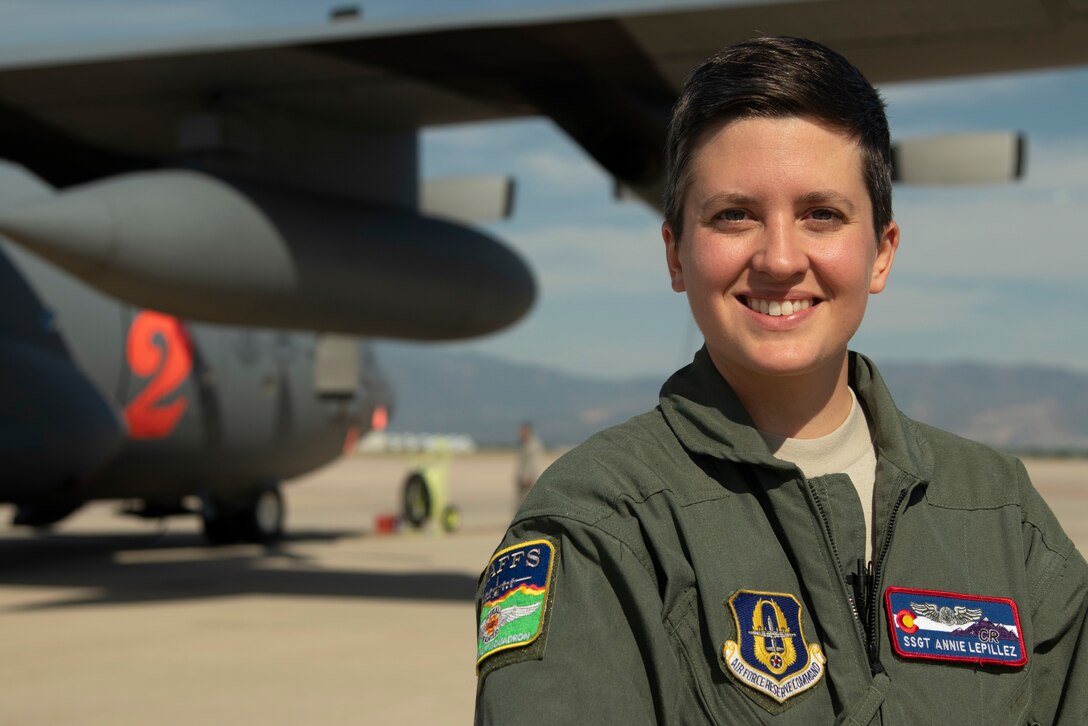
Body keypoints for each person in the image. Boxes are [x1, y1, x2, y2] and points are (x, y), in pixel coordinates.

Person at [473, 36, 1087, 724]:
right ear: (676, 254)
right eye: (734, 214)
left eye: (821, 214)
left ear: (881, 252)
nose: (780, 258)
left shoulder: (999, 514)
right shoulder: (601, 526)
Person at [514, 421, 544, 503]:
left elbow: (534, 462)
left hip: (529, 481)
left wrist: (530, 477)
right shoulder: (524, 444)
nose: (519, 434)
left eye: (521, 432)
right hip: (523, 480)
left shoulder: (533, 445)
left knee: (527, 503)